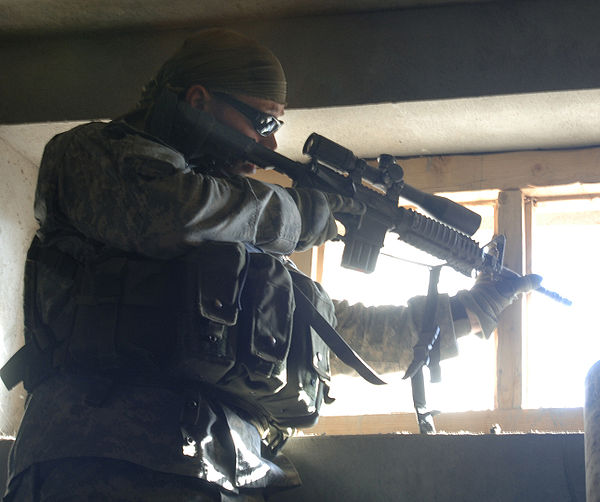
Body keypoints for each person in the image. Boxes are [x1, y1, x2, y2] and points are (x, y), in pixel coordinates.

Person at [1, 28, 541, 501]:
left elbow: (336, 336)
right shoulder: (93, 154)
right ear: (198, 99)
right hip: (94, 464)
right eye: (261, 120)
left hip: (216, 473)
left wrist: (471, 312)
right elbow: (170, 214)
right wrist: (306, 213)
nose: (270, 142)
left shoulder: (237, 231)